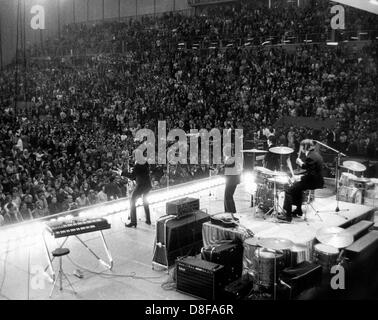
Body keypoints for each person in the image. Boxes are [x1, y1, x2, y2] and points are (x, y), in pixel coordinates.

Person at [279, 139, 324, 222]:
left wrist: (300, 177)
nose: (300, 149)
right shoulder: (315, 155)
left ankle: (287, 216)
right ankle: (298, 210)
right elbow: (309, 168)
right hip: (317, 180)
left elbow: (311, 174)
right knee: (298, 188)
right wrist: (301, 165)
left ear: (305, 147)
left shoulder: (310, 157)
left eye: (301, 147)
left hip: (313, 182)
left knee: (288, 191)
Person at [122, 156, 152, 228]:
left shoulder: (137, 165)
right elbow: (140, 173)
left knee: (132, 201)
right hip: (147, 185)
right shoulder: (145, 163)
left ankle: (133, 222)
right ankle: (148, 220)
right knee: (145, 201)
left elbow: (132, 176)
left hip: (140, 186)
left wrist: (123, 173)